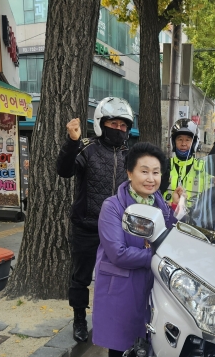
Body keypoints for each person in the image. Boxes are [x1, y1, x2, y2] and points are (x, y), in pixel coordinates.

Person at [92, 143, 183, 357]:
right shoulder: (113, 206)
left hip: (150, 283)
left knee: (150, 339)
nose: (151, 178)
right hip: (120, 284)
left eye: (156, 172)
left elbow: (171, 235)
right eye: (144, 171)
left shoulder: (159, 204)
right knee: (121, 344)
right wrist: (155, 257)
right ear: (130, 172)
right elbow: (117, 252)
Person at [56, 97, 134, 343]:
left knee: (116, 277)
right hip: (87, 225)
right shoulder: (86, 148)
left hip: (118, 230)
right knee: (81, 276)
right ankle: (79, 318)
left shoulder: (130, 155)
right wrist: (72, 142)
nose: (118, 129)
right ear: (102, 123)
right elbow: (64, 170)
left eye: (123, 125)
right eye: (113, 123)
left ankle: (112, 318)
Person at [160, 118, 205, 208]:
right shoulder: (164, 165)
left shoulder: (203, 167)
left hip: (193, 219)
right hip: (166, 216)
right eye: (180, 139)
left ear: (194, 143)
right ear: (174, 142)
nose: (183, 143)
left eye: (188, 140)